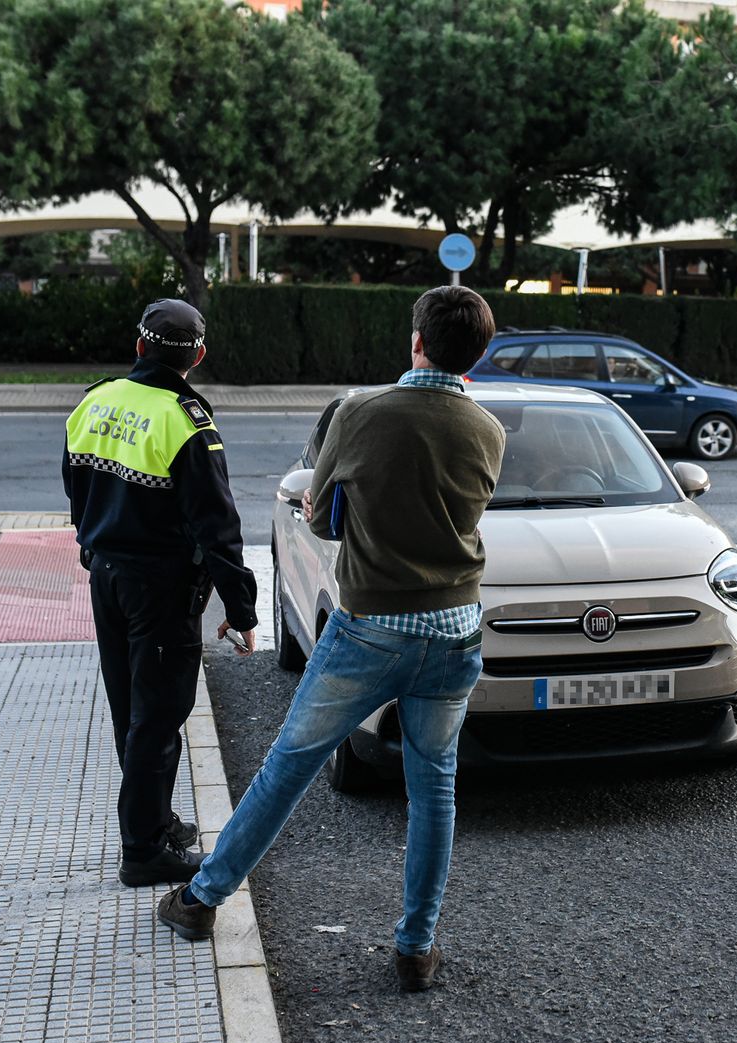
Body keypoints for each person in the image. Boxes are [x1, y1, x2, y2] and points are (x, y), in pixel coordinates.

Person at [155, 286, 505, 995]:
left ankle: (200, 901)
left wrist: (332, 515)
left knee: (290, 765)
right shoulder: (488, 429)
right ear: (479, 352)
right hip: (456, 629)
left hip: (370, 628)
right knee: (434, 783)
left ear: (416, 341)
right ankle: (415, 947)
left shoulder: (360, 411)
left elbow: (320, 517)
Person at [63, 298, 258, 887]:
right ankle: (145, 850)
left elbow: (77, 488)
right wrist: (242, 608)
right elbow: (215, 522)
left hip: (109, 578)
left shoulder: (95, 400)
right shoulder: (185, 417)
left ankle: (153, 821)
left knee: (131, 710)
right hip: (162, 590)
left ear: (139, 345)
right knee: (159, 715)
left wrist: (91, 546)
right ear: (196, 356)